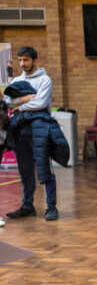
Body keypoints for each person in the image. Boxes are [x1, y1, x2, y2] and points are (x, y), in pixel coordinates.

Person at [4, 46, 58, 221]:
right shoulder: (16, 81)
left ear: (34, 60)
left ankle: (51, 207)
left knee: (44, 170)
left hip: (39, 129)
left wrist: (19, 105)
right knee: (25, 171)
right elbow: (7, 102)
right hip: (20, 131)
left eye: (26, 60)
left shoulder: (44, 80)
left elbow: (41, 103)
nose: (22, 63)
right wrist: (26, 99)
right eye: (20, 60)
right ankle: (28, 206)